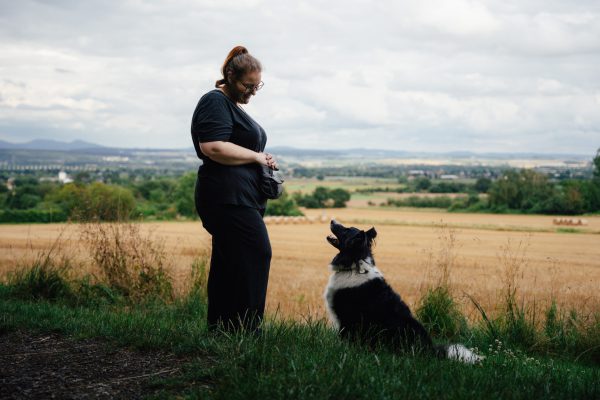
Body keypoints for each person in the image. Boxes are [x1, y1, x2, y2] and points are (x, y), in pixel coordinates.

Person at [190, 46, 277, 333]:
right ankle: (247, 330)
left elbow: (236, 146)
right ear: (230, 76)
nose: (252, 92)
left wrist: (261, 159)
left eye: (256, 86)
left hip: (238, 197)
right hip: (225, 198)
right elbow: (212, 146)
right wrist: (255, 156)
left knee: (230, 261)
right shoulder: (214, 101)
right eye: (247, 85)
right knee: (256, 253)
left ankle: (222, 329)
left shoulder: (232, 107)